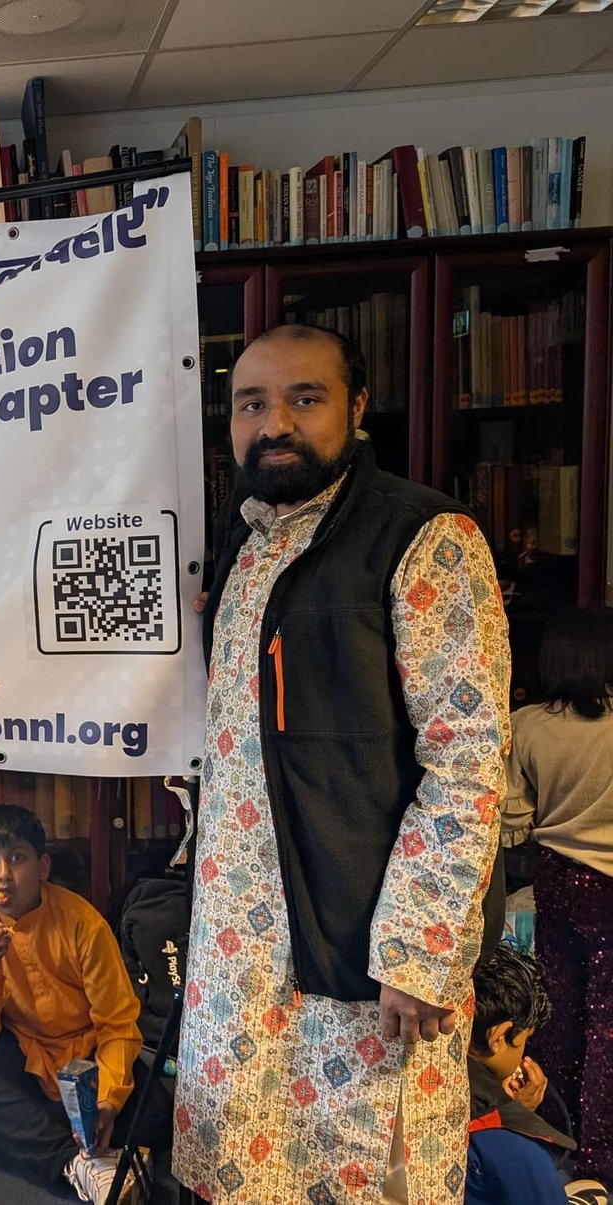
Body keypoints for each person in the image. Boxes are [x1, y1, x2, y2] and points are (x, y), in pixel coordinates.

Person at [179, 324, 511, 1202]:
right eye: (252, 403)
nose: (274, 424)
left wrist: (419, 950)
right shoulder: (246, 537)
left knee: (362, 1173)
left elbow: (468, 761)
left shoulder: (426, 538)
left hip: (363, 950)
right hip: (242, 947)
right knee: (247, 1169)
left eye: (305, 398)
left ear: (357, 408)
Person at [0, 804, 144, 1202]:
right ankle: (77, 1162)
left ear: (43, 867)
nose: (4, 875)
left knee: (155, 1109)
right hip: (23, 1055)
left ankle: (14, 1130)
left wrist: (106, 1100)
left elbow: (118, 1025)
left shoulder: (83, 924)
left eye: (17, 858)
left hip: (85, 1059)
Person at [505, 608, 613, 1184]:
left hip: (558, 880)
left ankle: (555, 1135)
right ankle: (603, 1155)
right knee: (607, 1024)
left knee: (560, 1012)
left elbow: (512, 819)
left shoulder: (526, 726)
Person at [464, 944, 598, 1204]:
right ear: (499, 1037)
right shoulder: (518, 1149)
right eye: (526, 1039)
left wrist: (509, 1108)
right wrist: (514, 1120)